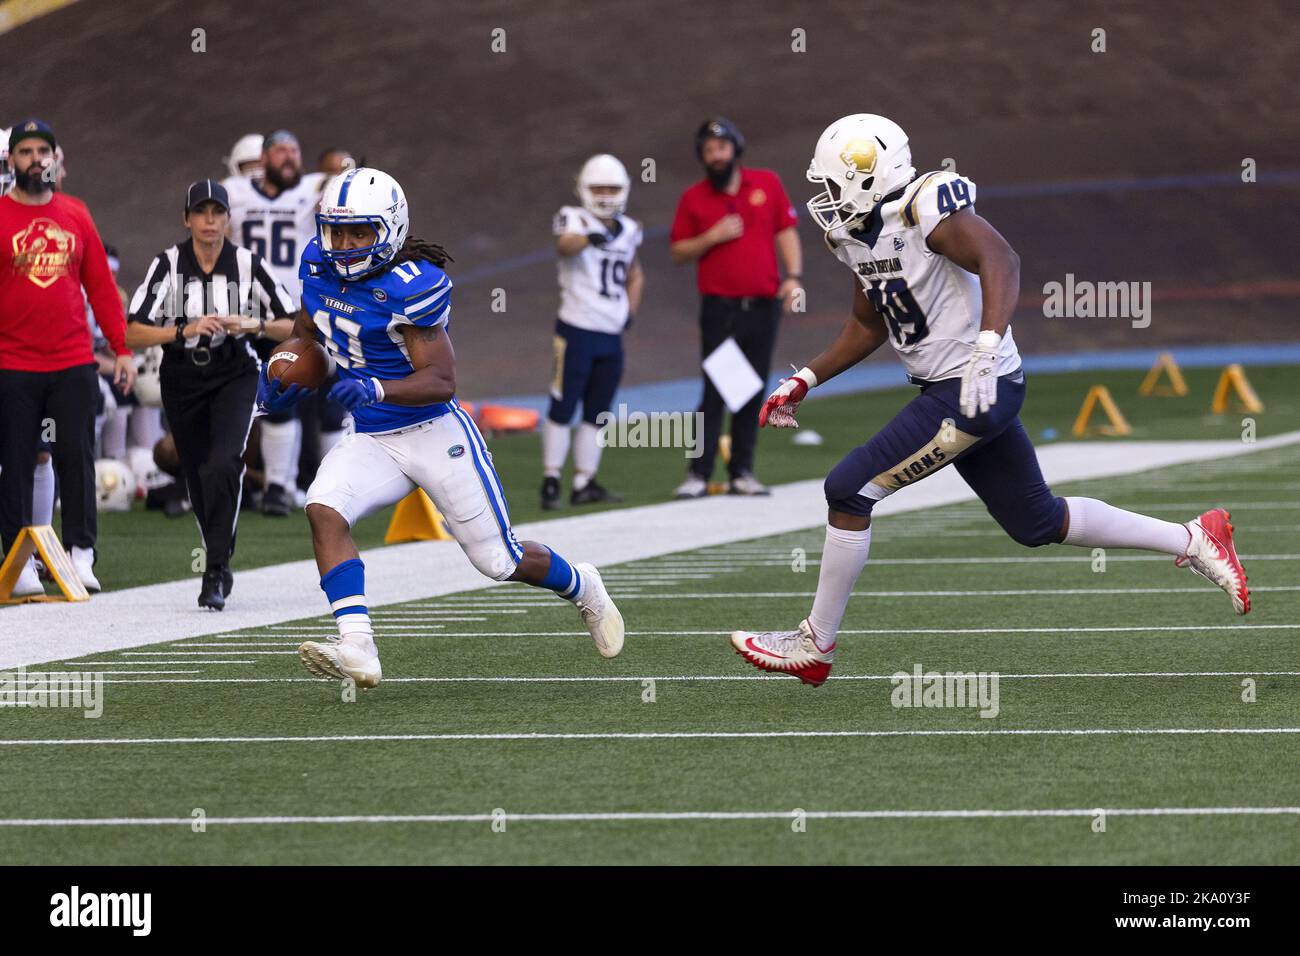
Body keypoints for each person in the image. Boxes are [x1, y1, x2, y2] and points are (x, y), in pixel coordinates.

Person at [729, 113, 1251, 687]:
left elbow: (1001, 259)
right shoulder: (854, 233)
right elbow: (868, 324)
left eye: (832, 182)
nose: (824, 197)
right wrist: (805, 378)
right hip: (956, 388)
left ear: (868, 174)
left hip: (976, 387)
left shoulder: (925, 206)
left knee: (849, 487)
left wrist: (986, 341)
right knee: (1035, 519)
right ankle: (1197, 538)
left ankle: (815, 644)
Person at [258, 166, 625, 688]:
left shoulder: (412, 286)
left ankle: (584, 586)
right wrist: (281, 365)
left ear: (389, 229)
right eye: (336, 231)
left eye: (358, 232)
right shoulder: (318, 265)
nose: (342, 244)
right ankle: (358, 646)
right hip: (373, 436)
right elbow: (308, 329)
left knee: (499, 560)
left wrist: (376, 388)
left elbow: (442, 380)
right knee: (323, 509)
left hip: (434, 432)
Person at [126, 179, 296, 609]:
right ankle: (219, 554)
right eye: (201, 212)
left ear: (227, 218)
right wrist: (184, 329)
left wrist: (251, 325)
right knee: (199, 472)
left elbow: (294, 324)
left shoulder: (247, 263)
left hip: (233, 373)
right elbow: (134, 330)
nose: (209, 220)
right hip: (181, 376)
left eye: (217, 212)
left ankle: (215, 569)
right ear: (187, 219)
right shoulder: (166, 264)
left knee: (224, 463)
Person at [0, 119, 135, 595]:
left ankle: (81, 556)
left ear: (56, 159)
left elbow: (100, 286)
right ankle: (19, 564)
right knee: (15, 462)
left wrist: (121, 349)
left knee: (76, 457)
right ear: (12, 161)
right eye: (26, 151)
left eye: (44, 151)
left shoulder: (76, 213)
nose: (36, 159)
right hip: (12, 364)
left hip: (73, 361)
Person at [669, 117, 803, 499]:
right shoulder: (694, 198)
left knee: (752, 388)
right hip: (719, 309)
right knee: (715, 391)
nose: (716, 156)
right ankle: (698, 474)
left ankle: (742, 471)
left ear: (735, 149)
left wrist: (792, 277)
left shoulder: (766, 183)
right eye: (708, 151)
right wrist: (711, 237)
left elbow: (786, 231)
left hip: (762, 306)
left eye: (722, 147)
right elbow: (678, 251)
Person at [224, 128, 342, 516]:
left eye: (295, 150)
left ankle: (289, 486)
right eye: (281, 151)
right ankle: (243, 483)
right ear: (265, 158)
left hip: (297, 311)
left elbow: (344, 181)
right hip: (243, 311)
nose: (289, 157)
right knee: (244, 400)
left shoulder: (311, 191)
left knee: (297, 396)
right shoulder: (235, 193)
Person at [541, 154, 644, 510]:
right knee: (563, 404)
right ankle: (551, 479)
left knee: (599, 410)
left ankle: (584, 481)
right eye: (598, 188)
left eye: (611, 188)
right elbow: (565, 244)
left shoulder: (629, 228)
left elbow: (634, 273)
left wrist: (629, 312)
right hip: (576, 329)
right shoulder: (575, 219)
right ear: (583, 189)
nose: (604, 195)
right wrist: (592, 235)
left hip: (610, 334)